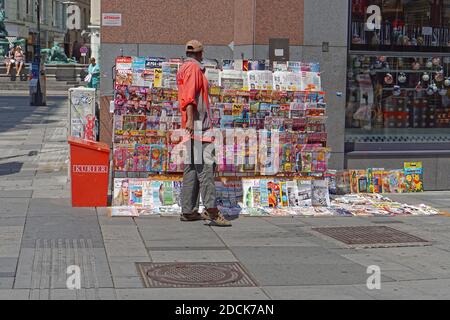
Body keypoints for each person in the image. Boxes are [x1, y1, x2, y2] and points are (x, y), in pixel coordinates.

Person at [177, 40, 231, 227]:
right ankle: (212, 210)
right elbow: (189, 97)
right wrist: (192, 121)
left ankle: (188, 209)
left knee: (192, 168)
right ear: (200, 53)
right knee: (206, 168)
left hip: (192, 127)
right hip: (199, 127)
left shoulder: (184, 67)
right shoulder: (193, 69)